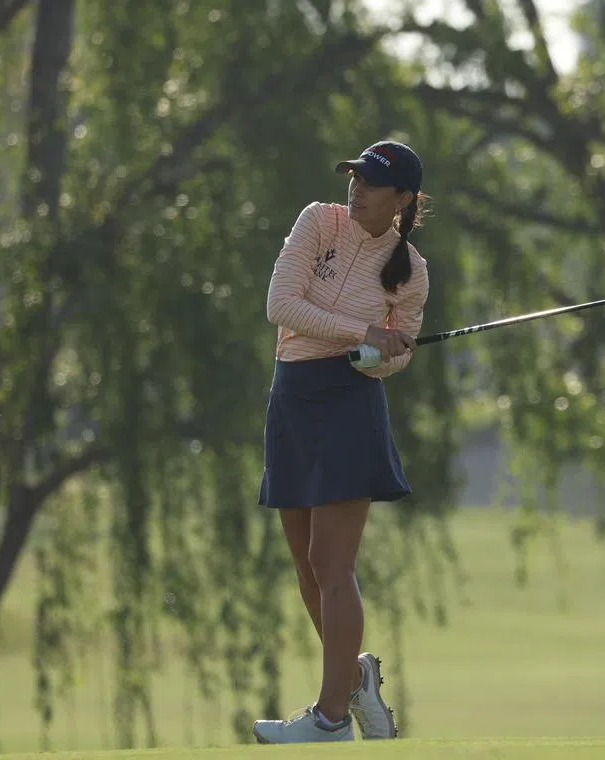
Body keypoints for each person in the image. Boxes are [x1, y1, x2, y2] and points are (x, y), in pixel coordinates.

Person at [251, 140, 431, 744]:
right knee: (306, 567)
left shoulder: (412, 269)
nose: (356, 187)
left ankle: (330, 719)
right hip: (294, 397)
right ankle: (357, 679)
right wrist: (363, 331)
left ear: (402, 198)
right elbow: (281, 305)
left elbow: (395, 356)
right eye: (354, 176)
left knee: (334, 565)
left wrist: (381, 356)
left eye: (372, 182)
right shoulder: (317, 221)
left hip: (351, 405)